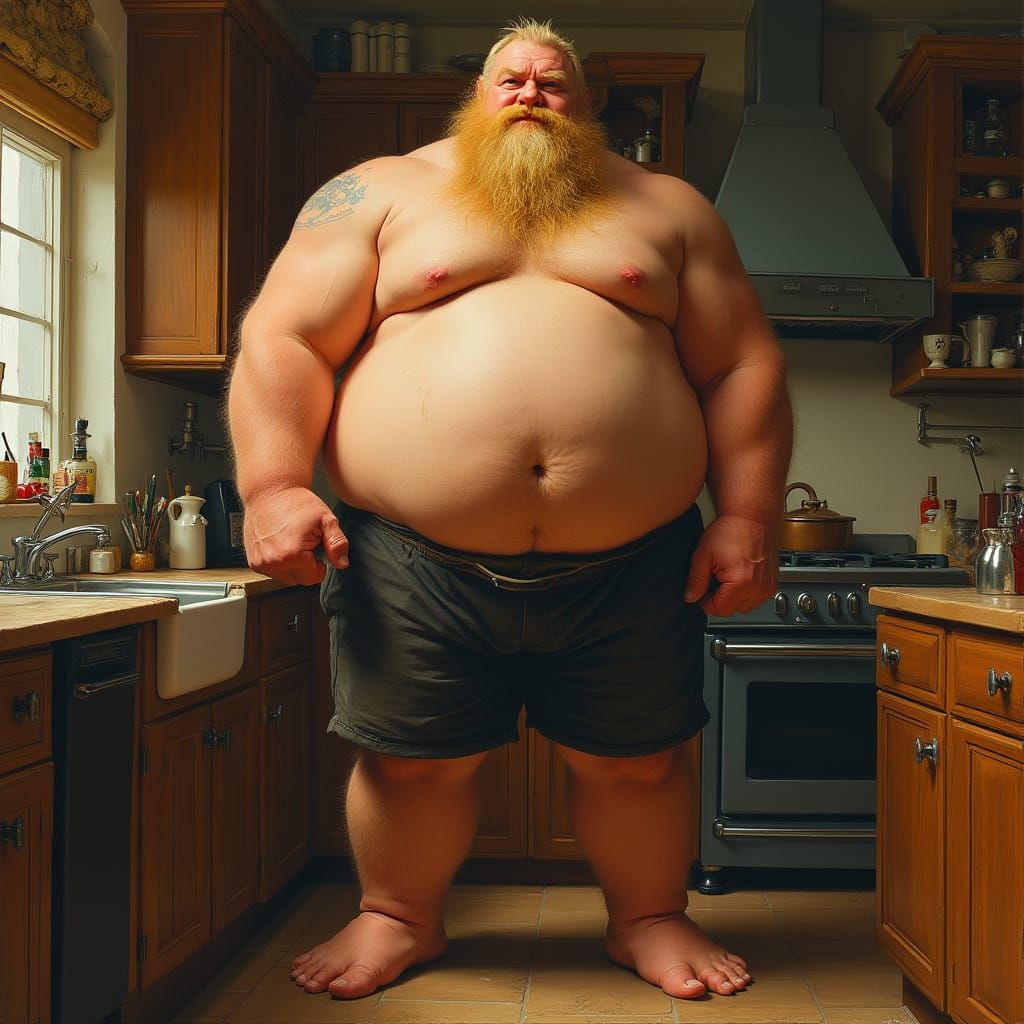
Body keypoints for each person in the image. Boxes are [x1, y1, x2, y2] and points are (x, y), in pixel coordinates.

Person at [227, 17, 792, 1003]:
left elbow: (739, 363)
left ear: (588, 105)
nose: (531, 90)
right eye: (510, 76)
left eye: (554, 79)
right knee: (411, 765)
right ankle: (396, 916)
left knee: (639, 763)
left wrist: (745, 515)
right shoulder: (383, 189)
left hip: (632, 557)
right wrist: (273, 486)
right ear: (475, 95)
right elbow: (284, 340)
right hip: (410, 553)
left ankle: (649, 916)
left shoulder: (667, 207)